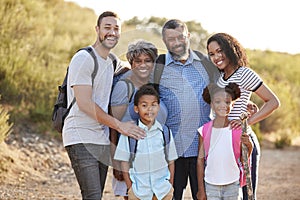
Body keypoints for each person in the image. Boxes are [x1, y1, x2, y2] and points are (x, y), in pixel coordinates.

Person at [62, 11, 145, 199]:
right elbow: (84, 103)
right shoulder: (84, 58)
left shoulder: (112, 61)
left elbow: (136, 67)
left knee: (96, 195)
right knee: (92, 195)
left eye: (116, 28)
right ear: (97, 29)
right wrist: (120, 126)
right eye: (107, 27)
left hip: (101, 139)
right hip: (80, 136)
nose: (112, 32)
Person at [206, 32, 280, 199]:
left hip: (243, 142)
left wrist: (247, 122)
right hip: (224, 143)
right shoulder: (220, 78)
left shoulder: (245, 73)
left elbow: (273, 102)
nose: (216, 57)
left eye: (220, 51)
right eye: (212, 54)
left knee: (247, 194)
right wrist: (242, 105)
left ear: (230, 49)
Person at [151, 19, 219, 200]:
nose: (176, 43)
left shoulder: (206, 64)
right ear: (165, 41)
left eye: (180, 37)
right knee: (172, 196)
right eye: (171, 39)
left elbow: (226, 88)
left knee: (204, 196)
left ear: (188, 36)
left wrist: (245, 102)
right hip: (172, 150)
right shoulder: (158, 66)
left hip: (202, 149)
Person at [110, 39, 169, 199]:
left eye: (148, 61)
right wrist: (117, 164)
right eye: (138, 61)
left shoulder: (154, 86)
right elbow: (115, 127)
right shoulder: (124, 87)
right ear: (131, 63)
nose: (143, 65)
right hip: (131, 160)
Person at [114, 84, 178, 200]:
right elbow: (124, 162)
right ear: (136, 108)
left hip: (162, 191)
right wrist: (130, 188)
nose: (149, 109)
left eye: (153, 105)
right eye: (144, 105)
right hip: (139, 192)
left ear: (159, 107)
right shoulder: (130, 133)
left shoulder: (165, 132)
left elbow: (171, 160)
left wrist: (170, 186)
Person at [197, 83, 253, 200]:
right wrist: (201, 190)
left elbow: (244, 160)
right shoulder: (204, 130)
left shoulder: (237, 130)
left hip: (232, 184)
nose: (223, 105)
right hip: (211, 185)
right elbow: (200, 161)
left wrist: (250, 145)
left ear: (232, 104)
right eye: (218, 102)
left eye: (227, 102)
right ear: (211, 104)